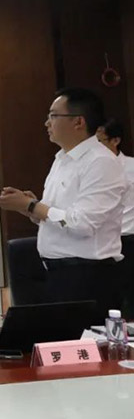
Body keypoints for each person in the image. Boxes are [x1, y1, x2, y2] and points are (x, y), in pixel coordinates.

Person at [0, 88, 126, 317]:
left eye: (53, 116)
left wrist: (31, 206)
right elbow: (56, 215)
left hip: (87, 275)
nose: (47, 123)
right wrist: (30, 207)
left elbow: (82, 224)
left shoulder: (101, 162)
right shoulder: (62, 159)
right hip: (54, 272)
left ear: (78, 122)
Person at [96, 118, 134, 315]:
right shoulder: (91, 170)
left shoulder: (131, 166)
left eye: (99, 141)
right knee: (110, 300)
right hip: (104, 243)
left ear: (115, 140)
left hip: (130, 239)